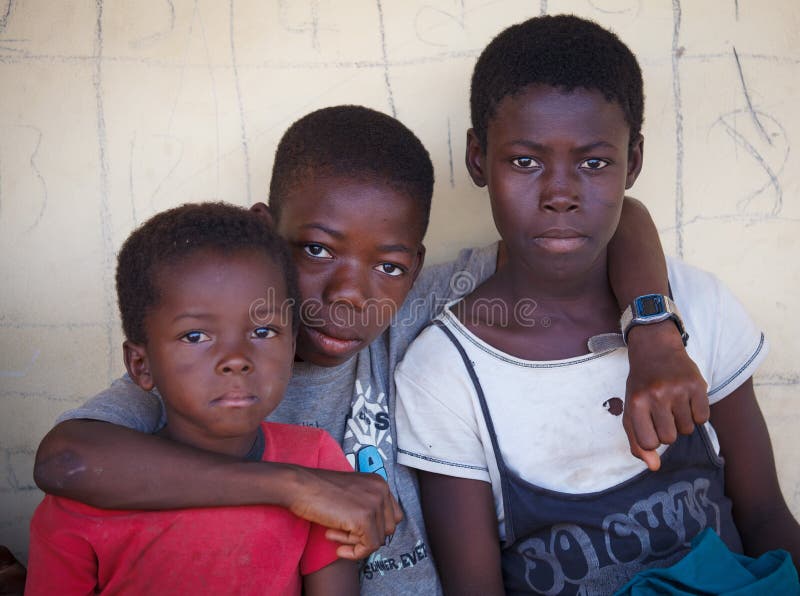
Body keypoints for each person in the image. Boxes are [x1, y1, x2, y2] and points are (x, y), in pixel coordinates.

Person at [33, 106, 706, 595]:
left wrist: (653, 334)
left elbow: (620, 221)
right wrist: (301, 487)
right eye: (317, 250)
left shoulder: (414, 307)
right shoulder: (205, 376)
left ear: (413, 267)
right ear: (264, 232)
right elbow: (66, 461)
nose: (352, 295)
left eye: (388, 265)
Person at [394, 14, 800, 595]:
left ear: (632, 162)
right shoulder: (445, 374)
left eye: (594, 163)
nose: (560, 194)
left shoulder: (699, 306)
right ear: (478, 159)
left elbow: (767, 520)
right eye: (526, 161)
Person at [25, 203, 358, 595]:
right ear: (141, 364)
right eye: (195, 336)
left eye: (264, 331)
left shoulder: (317, 462)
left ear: (292, 341)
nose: (236, 360)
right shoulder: (78, 504)